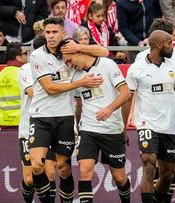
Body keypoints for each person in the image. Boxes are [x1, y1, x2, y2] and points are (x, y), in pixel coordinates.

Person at [28, 17, 106, 202]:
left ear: (63, 33)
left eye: (54, 32)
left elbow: (104, 51)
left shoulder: (70, 48)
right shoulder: (37, 55)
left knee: (63, 167)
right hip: (41, 116)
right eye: (47, 33)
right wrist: (81, 82)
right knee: (37, 165)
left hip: (64, 117)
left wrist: (80, 48)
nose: (50, 36)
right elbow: (50, 88)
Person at [126, 30, 175, 203]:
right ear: (158, 45)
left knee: (167, 175)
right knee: (149, 163)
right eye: (169, 43)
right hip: (146, 123)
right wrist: (123, 126)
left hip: (169, 125)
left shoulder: (173, 66)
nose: (172, 46)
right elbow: (128, 99)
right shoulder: (136, 68)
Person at [57, 38, 132, 203]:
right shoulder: (75, 76)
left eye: (69, 60)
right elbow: (78, 105)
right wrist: (76, 127)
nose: (69, 65)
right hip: (88, 129)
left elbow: (126, 93)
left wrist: (110, 109)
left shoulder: (107, 64)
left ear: (78, 51)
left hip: (112, 129)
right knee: (84, 171)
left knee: (119, 178)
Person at [18, 36, 57, 203]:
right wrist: (52, 88)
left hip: (50, 126)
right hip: (29, 127)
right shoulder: (25, 69)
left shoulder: (56, 67)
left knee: (50, 173)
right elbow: (34, 94)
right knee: (29, 179)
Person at [0, 42, 28, 129]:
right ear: (18, 58)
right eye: (26, 53)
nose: (27, 56)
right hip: (21, 120)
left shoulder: (1, 74)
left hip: (3, 120)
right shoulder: (23, 73)